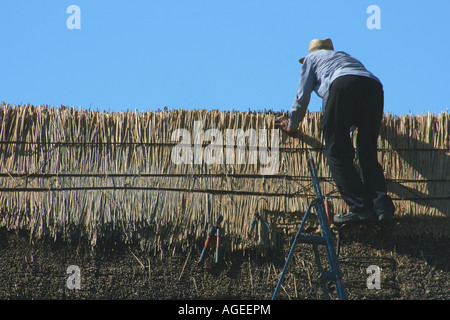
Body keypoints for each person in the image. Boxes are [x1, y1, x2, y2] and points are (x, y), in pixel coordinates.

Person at [275, 38, 395, 225]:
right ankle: (383, 209)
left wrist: (292, 124)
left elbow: (302, 96)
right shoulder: (345, 57)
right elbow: (351, 102)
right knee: (368, 152)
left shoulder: (311, 59)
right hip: (374, 87)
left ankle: (360, 208)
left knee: (336, 151)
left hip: (343, 85)